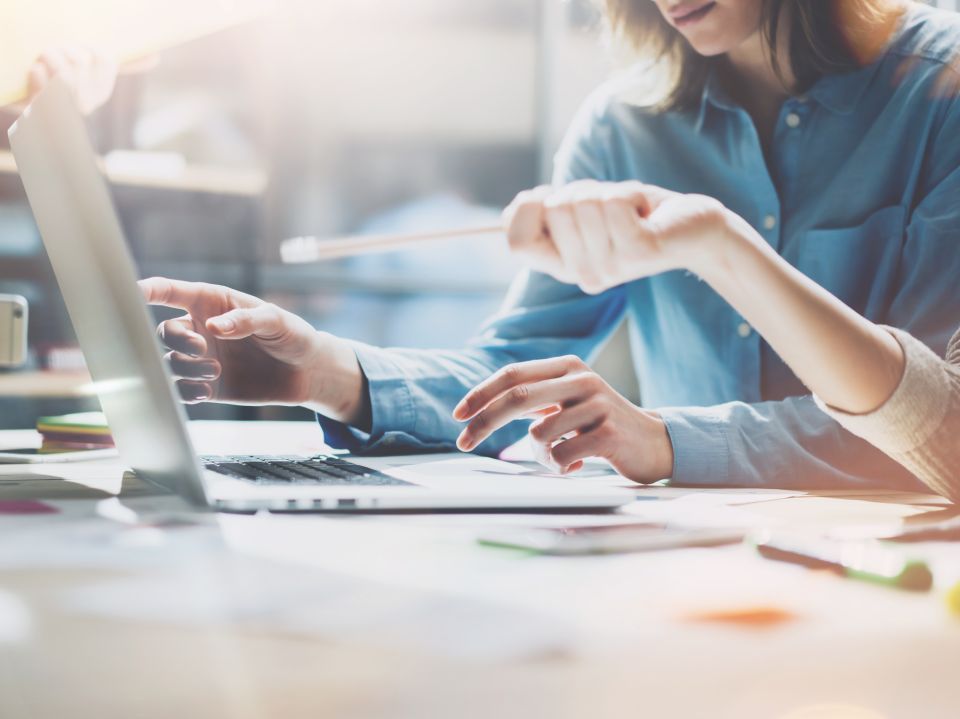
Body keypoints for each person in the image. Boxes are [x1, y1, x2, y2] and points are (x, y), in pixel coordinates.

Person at [142, 0, 960, 492]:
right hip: (701, 566)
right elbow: (511, 373)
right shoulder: (623, 126)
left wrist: (667, 440)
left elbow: (933, 423)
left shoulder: (940, 94)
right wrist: (324, 372)